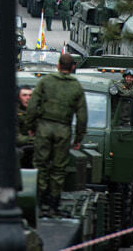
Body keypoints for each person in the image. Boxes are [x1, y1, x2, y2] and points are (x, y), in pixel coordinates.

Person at [26, 52, 87, 216]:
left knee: (41, 164)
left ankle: (40, 201)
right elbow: (82, 116)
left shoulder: (45, 81)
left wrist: (30, 126)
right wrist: (78, 138)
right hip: (63, 130)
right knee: (59, 168)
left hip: (44, 127)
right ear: (73, 67)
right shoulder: (76, 86)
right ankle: (54, 203)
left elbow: (32, 106)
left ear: (58, 65)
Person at [16, 85, 36, 167]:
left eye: (30, 95)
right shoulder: (14, 113)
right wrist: (34, 139)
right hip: (21, 149)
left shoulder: (37, 112)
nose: (28, 98)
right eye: (24, 95)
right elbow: (16, 138)